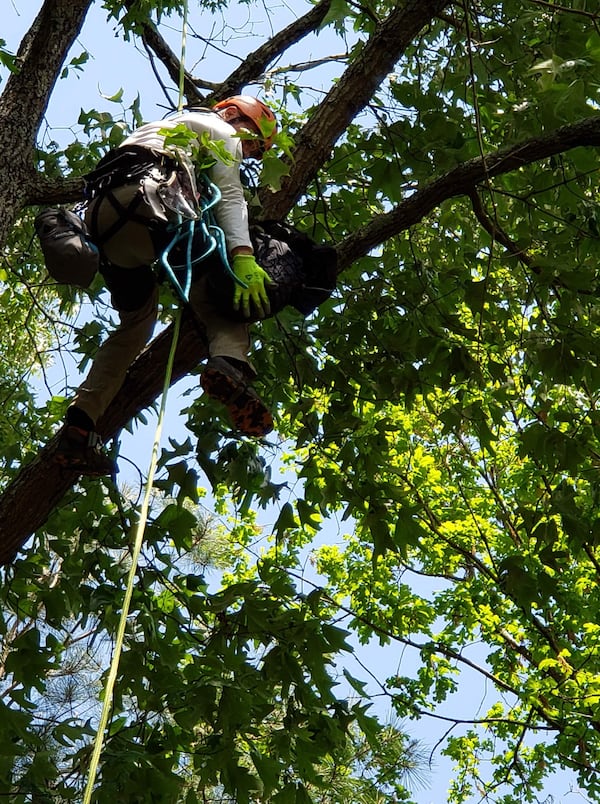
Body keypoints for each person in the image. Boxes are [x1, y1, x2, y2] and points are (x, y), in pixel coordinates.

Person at [53, 95, 278, 477]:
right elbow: (231, 194)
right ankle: (229, 361)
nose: (248, 152)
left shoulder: (159, 130)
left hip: (103, 221)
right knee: (219, 277)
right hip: (152, 203)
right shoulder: (219, 129)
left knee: (135, 325)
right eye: (252, 142)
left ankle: (80, 425)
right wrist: (243, 253)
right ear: (231, 114)